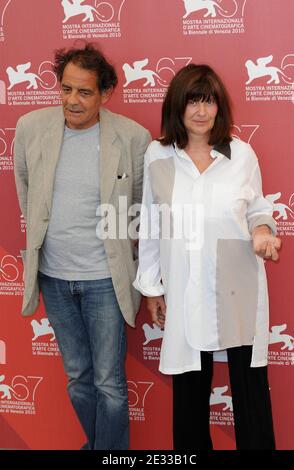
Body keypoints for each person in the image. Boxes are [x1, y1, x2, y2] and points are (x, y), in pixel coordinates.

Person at [133, 64, 281, 450]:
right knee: (189, 396)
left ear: (220, 106)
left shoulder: (241, 154)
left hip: (238, 284)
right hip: (185, 286)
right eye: (192, 101)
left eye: (209, 101)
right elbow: (150, 223)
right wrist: (152, 287)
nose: (201, 111)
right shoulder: (157, 154)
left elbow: (257, 207)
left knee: (251, 395)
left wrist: (263, 230)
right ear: (177, 107)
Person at [14, 43, 151, 450]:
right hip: (54, 277)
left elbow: (140, 209)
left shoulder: (132, 137)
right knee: (78, 378)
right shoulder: (30, 127)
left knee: (108, 382)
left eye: (84, 92)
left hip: (105, 280)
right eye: (66, 89)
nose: (72, 100)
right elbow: (27, 189)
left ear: (105, 94)